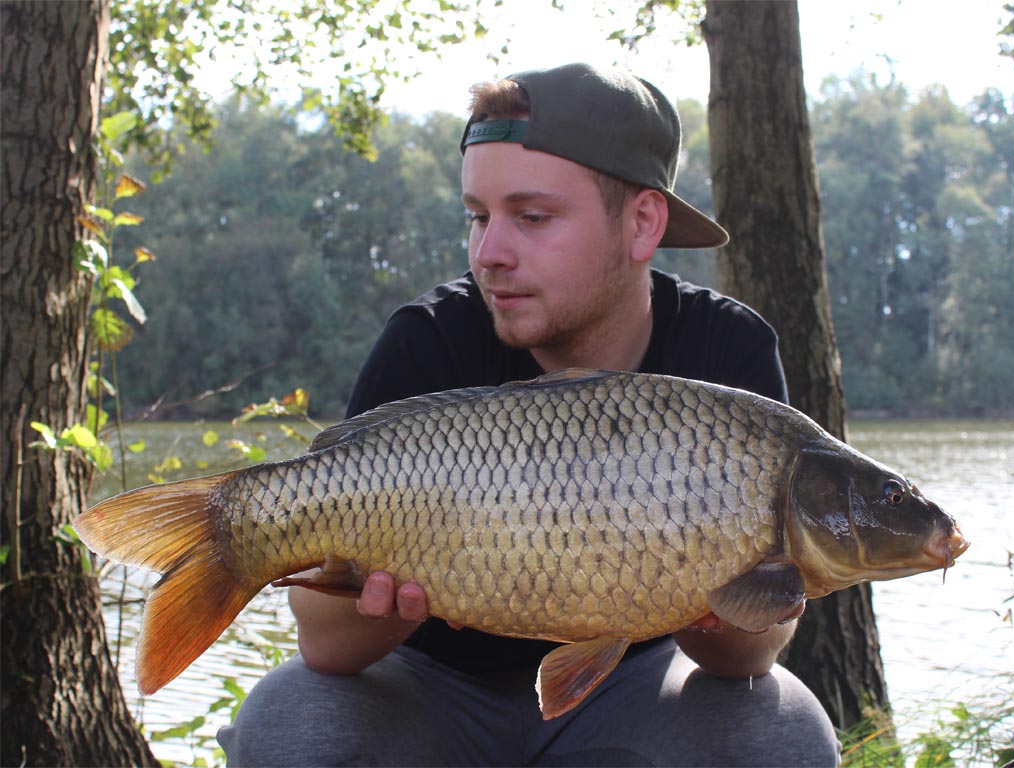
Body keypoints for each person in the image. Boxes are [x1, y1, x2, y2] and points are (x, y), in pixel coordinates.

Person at [218, 62, 841, 767]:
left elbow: (745, 660)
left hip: (635, 685)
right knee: (289, 715)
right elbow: (326, 649)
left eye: (532, 217)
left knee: (781, 728)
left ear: (641, 223)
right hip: (428, 686)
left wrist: (722, 598)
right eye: (477, 217)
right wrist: (378, 602)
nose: (490, 254)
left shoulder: (725, 350)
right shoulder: (427, 342)